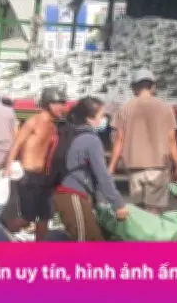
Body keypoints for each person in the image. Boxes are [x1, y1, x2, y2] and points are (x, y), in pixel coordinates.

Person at [53, 97, 128, 241]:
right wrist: (118, 204)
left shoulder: (72, 132)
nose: (104, 119)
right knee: (85, 240)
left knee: (93, 238)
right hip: (72, 194)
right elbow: (102, 175)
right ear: (89, 118)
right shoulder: (91, 140)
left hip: (65, 193)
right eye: (102, 115)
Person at [108, 69, 177, 214]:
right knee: (153, 211)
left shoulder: (125, 108)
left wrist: (111, 167)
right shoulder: (166, 108)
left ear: (134, 88)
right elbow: (172, 140)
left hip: (135, 167)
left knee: (139, 211)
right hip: (158, 168)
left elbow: (119, 140)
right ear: (153, 87)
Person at [4, 86, 68, 241]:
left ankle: (40, 249)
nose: (63, 107)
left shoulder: (54, 126)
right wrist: (8, 166)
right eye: (60, 103)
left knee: (45, 217)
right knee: (27, 218)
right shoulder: (33, 121)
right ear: (49, 104)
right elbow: (17, 144)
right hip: (28, 175)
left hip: (44, 177)